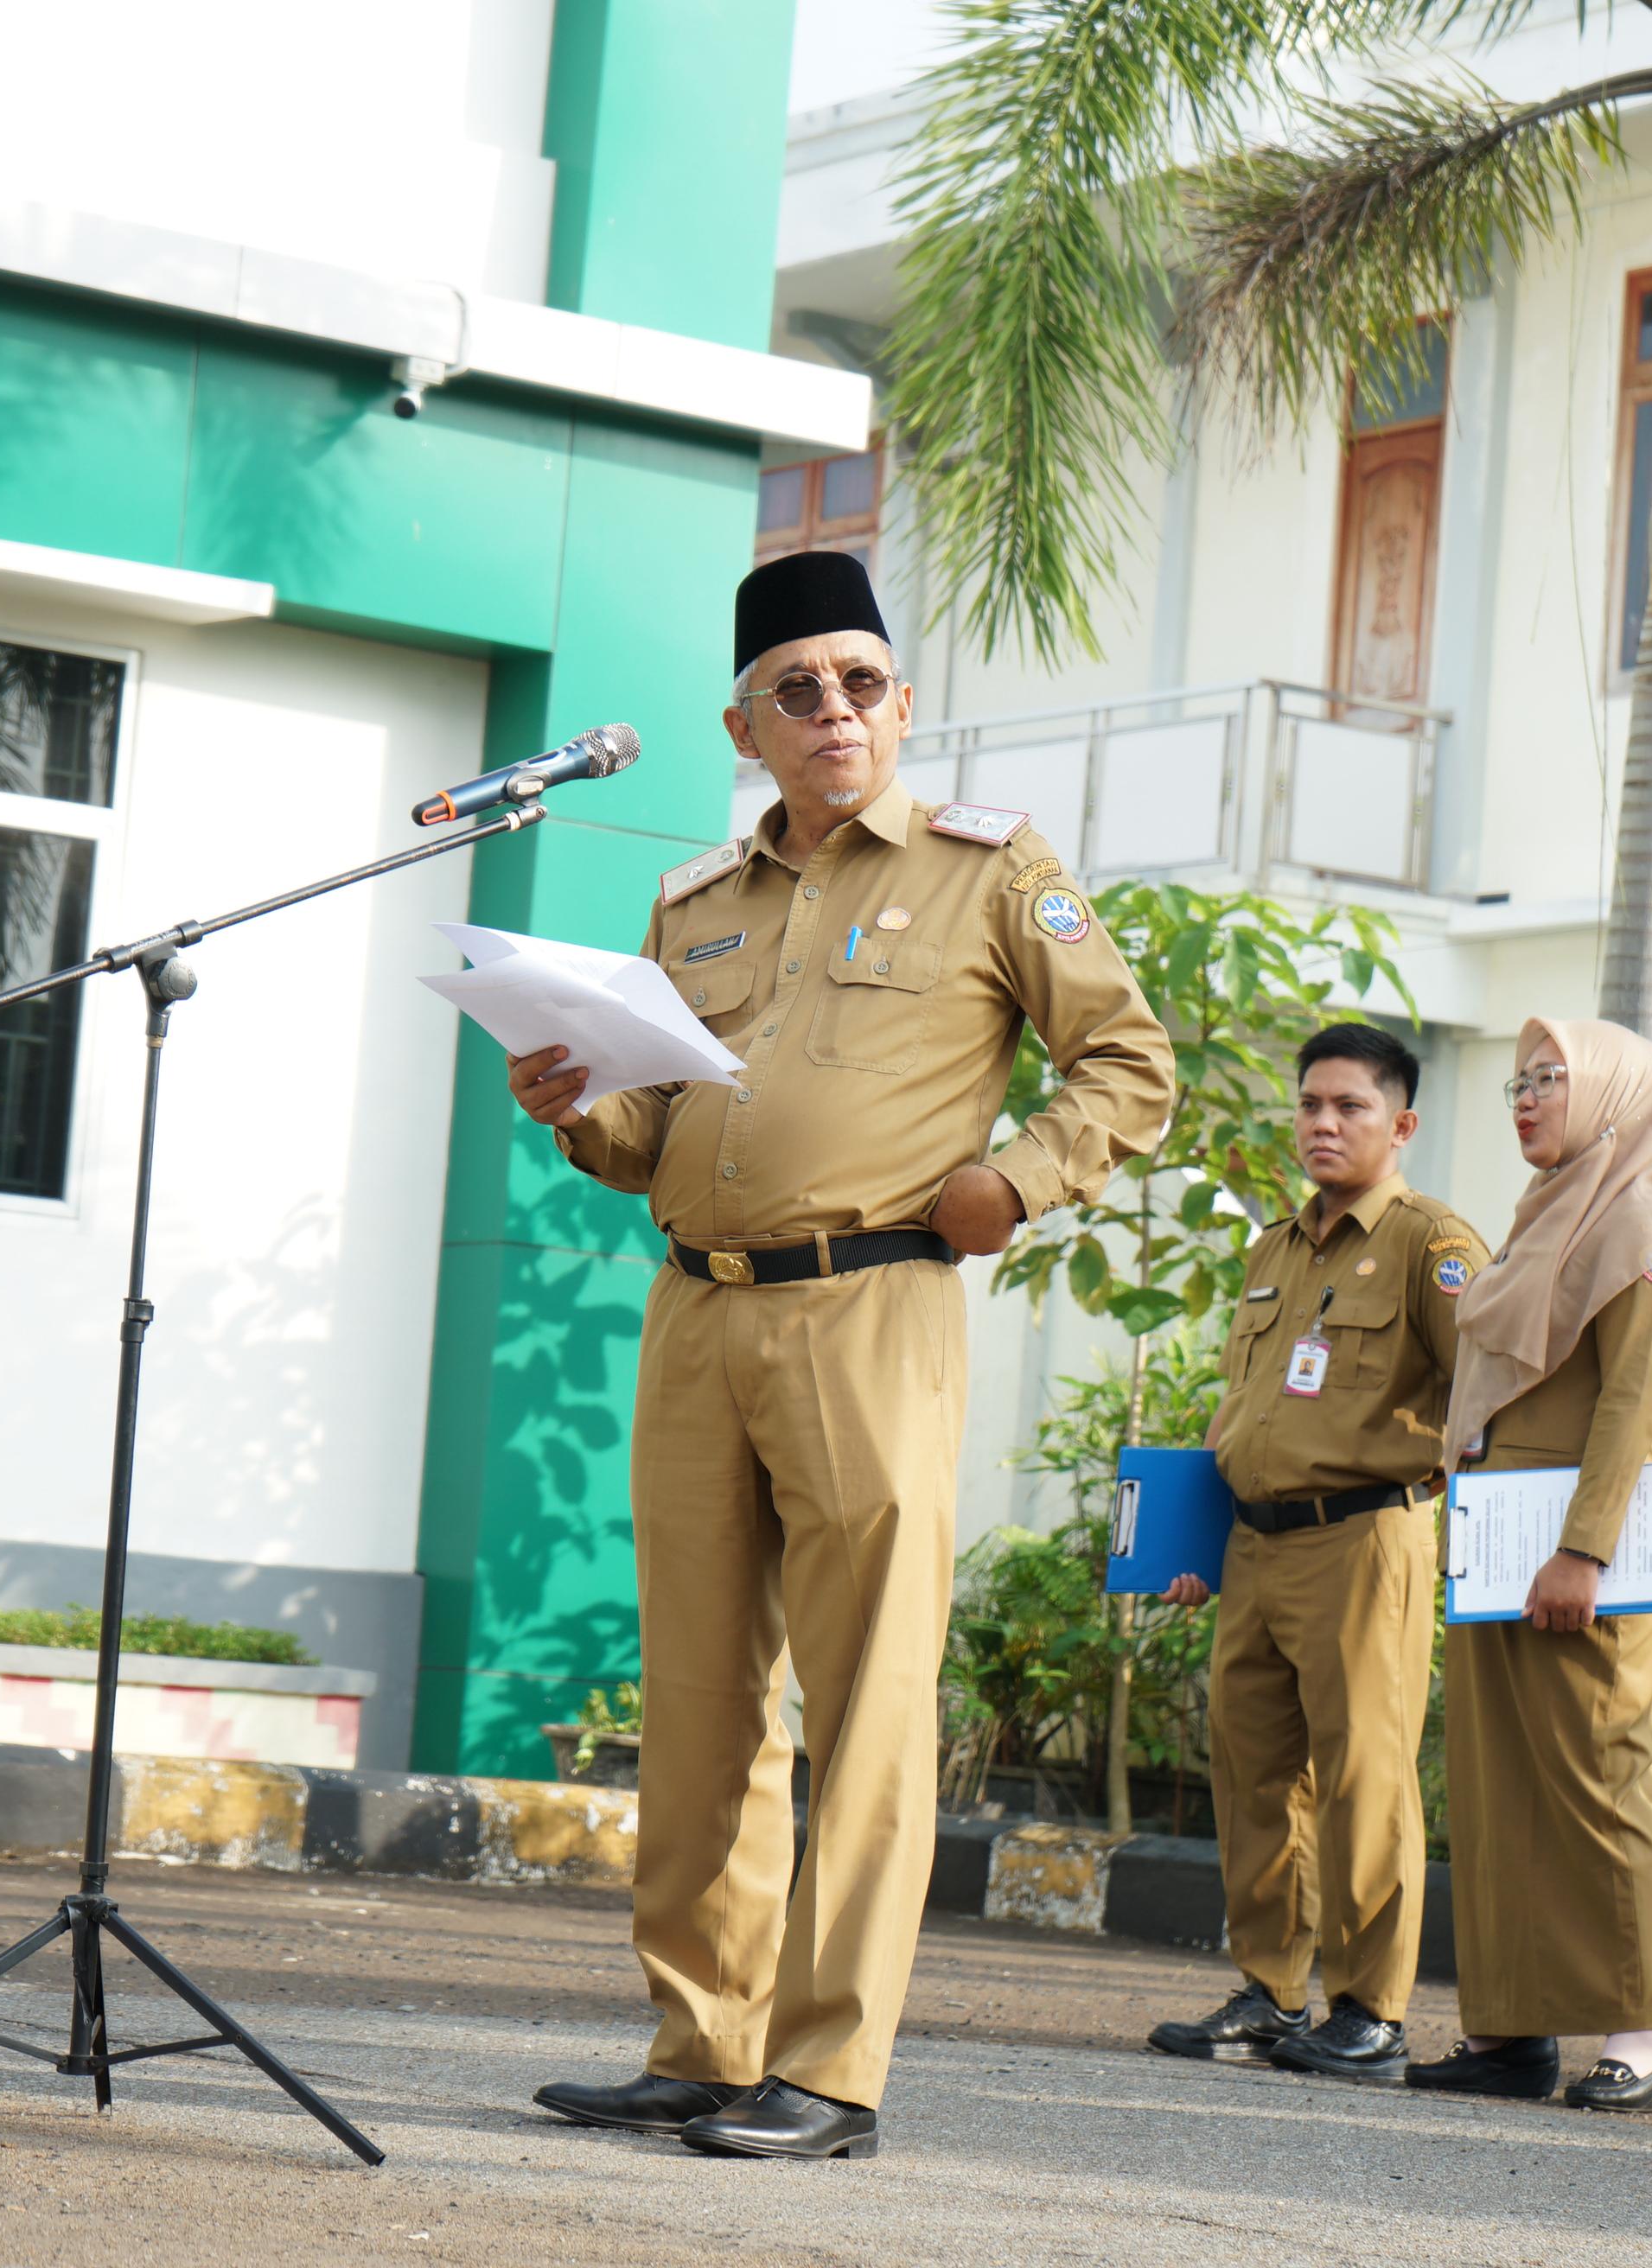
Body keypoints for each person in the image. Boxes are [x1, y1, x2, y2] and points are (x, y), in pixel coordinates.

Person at [513, 551, 1175, 2161]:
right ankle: (702, 2034)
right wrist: (572, 1106)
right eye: (799, 689)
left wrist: (1012, 1177)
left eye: (862, 683)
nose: (834, 711)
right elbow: (647, 1123)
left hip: (870, 1306)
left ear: (900, 701)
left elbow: (1131, 1061)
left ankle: (828, 2063)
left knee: (865, 1694)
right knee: (696, 1696)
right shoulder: (694, 900)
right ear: (742, 717)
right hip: (698, 1307)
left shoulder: (990, 869)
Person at [1142, 1023, 1489, 2082]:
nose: (1325, 1124)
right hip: (1253, 1547)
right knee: (1252, 1774)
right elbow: (1240, 1407)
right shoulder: (1273, 1247)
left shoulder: (1436, 1244)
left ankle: (1370, 2007)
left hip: (1364, 1540)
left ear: (1404, 1124)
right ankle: (1271, 1989)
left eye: (1352, 1107)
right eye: (1311, 1105)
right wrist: (1199, 1537)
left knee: (1364, 1776)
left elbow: (1486, 1390)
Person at [1410, 1016, 1652, 2112]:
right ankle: (1510, 2029)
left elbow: (1634, 1398)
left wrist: (1581, 1548)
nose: (1528, 1098)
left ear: (1615, 1095)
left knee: (1598, 1776)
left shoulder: (1643, 1219)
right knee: (1496, 1786)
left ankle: (1643, 2028)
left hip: (1578, 1550)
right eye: (1519, 1081)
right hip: (1501, 1543)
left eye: (1554, 1079)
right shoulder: (1546, 1214)